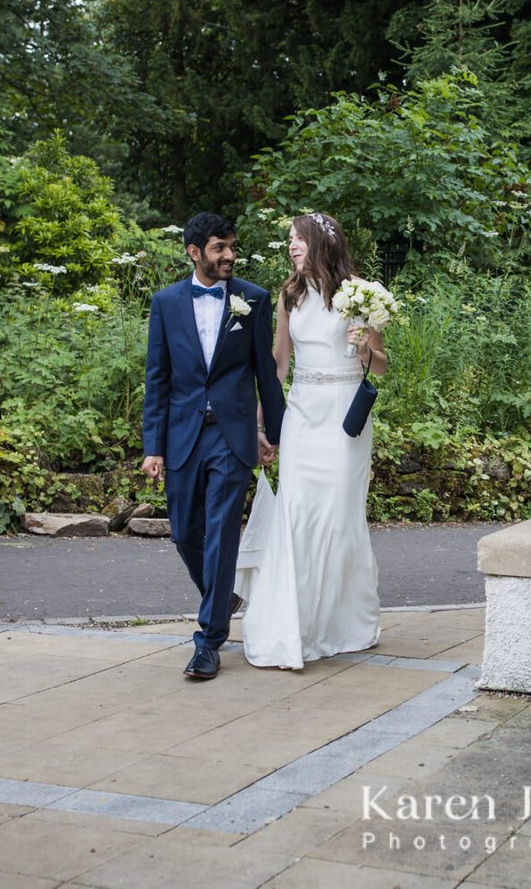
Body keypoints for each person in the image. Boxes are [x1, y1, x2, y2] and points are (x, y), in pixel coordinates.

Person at [141, 212, 285, 681]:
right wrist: (153, 446)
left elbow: (266, 373)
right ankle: (223, 597)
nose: (228, 256)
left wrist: (273, 434)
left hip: (232, 434)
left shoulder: (253, 300)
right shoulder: (165, 303)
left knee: (223, 532)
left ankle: (208, 641)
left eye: (232, 248)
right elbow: (157, 380)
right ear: (194, 252)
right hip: (183, 434)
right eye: (219, 248)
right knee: (185, 533)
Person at [236, 211, 383, 669]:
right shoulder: (289, 294)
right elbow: (279, 365)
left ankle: (340, 622)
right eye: (289, 241)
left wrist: (364, 347)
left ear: (321, 242)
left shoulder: (358, 293)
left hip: (343, 417)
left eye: (298, 239)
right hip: (302, 412)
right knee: (296, 514)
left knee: (338, 517)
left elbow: (378, 365)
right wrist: (262, 421)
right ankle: (292, 624)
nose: (291, 247)